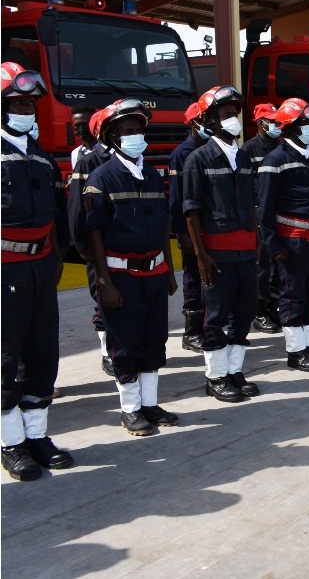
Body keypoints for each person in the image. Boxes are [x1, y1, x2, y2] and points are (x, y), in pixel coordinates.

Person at [85, 99, 180, 436]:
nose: (136, 135)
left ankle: (150, 404)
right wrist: (104, 282)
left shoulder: (152, 175)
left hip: (153, 273)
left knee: (154, 340)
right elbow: (93, 232)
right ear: (112, 137)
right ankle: (130, 410)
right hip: (121, 276)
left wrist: (168, 269)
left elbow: (162, 225)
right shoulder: (102, 177)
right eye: (128, 131)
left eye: (139, 129)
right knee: (124, 344)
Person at [1, 62, 74, 480]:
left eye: (30, 102)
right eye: (16, 102)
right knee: (6, 357)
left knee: (43, 353)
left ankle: (36, 435)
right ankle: (10, 443)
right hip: (5, 269)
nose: (26, 109)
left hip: (41, 267)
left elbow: (59, 212)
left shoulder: (40, 155)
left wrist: (58, 255)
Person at [182, 85, 260, 403]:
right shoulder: (197, 159)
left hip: (244, 248)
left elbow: (252, 204)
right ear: (210, 120)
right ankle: (215, 377)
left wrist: (255, 246)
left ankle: (234, 370)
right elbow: (191, 210)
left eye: (234, 115)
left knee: (244, 311)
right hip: (216, 251)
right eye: (226, 115)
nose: (233, 120)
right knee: (215, 315)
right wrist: (201, 255)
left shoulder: (242, 157)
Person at [256, 98, 309, 372]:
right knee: (292, 295)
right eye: (305, 123)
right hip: (293, 239)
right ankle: (295, 351)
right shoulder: (274, 160)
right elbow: (264, 208)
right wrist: (272, 245)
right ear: (289, 128)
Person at [68, 109, 116, 376]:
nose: (79, 129)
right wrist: (83, 246)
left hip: (118, 242)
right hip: (97, 244)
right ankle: (106, 353)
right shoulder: (84, 159)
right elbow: (76, 207)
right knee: (102, 299)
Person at [169, 94, 213, 352]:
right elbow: (176, 199)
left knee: (211, 279)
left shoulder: (212, 151)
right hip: (191, 229)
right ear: (195, 123)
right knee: (194, 279)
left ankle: (209, 326)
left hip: (211, 226)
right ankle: (192, 331)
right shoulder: (181, 155)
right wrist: (182, 234)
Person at [241, 103, 283, 333]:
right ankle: (260, 312)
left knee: (278, 265)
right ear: (260, 123)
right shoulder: (248, 151)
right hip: (259, 213)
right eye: (272, 122)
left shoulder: (281, 147)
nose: (276, 126)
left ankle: (275, 307)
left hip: (280, 214)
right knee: (263, 266)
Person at [69, 105, 97, 170]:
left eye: (85, 124)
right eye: (77, 125)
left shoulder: (110, 151)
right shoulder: (75, 154)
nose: (81, 128)